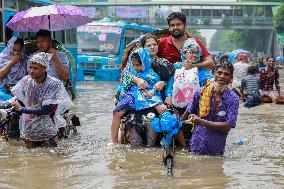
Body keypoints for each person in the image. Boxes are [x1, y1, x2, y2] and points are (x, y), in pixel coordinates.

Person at [11, 52, 72, 149]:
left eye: (35, 68)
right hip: (29, 128)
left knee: (51, 158)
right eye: (30, 67)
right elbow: (18, 97)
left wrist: (21, 109)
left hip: (47, 129)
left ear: (44, 68)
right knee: (31, 159)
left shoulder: (53, 84)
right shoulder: (26, 81)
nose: (31, 71)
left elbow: (45, 110)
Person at [111, 48, 169, 145]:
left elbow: (158, 87)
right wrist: (122, 92)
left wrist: (152, 91)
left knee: (165, 112)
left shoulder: (153, 73)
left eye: (138, 65)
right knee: (117, 112)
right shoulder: (129, 74)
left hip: (149, 99)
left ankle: (168, 139)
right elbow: (123, 85)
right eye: (133, 65)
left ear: (145, 62)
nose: (136, 67)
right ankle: (113, 141)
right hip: (132, 98)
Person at [182, 62, 239, 155]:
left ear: (231, 78)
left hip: (216, 148)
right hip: (197, 144)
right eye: (219, 73)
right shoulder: (200, 92)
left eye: (226, 74)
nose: (222, 76)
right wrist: (177, 125)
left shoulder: (233, 98)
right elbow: (189, 111)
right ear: (214, 74)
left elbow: (228, 126)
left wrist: (201, 122)